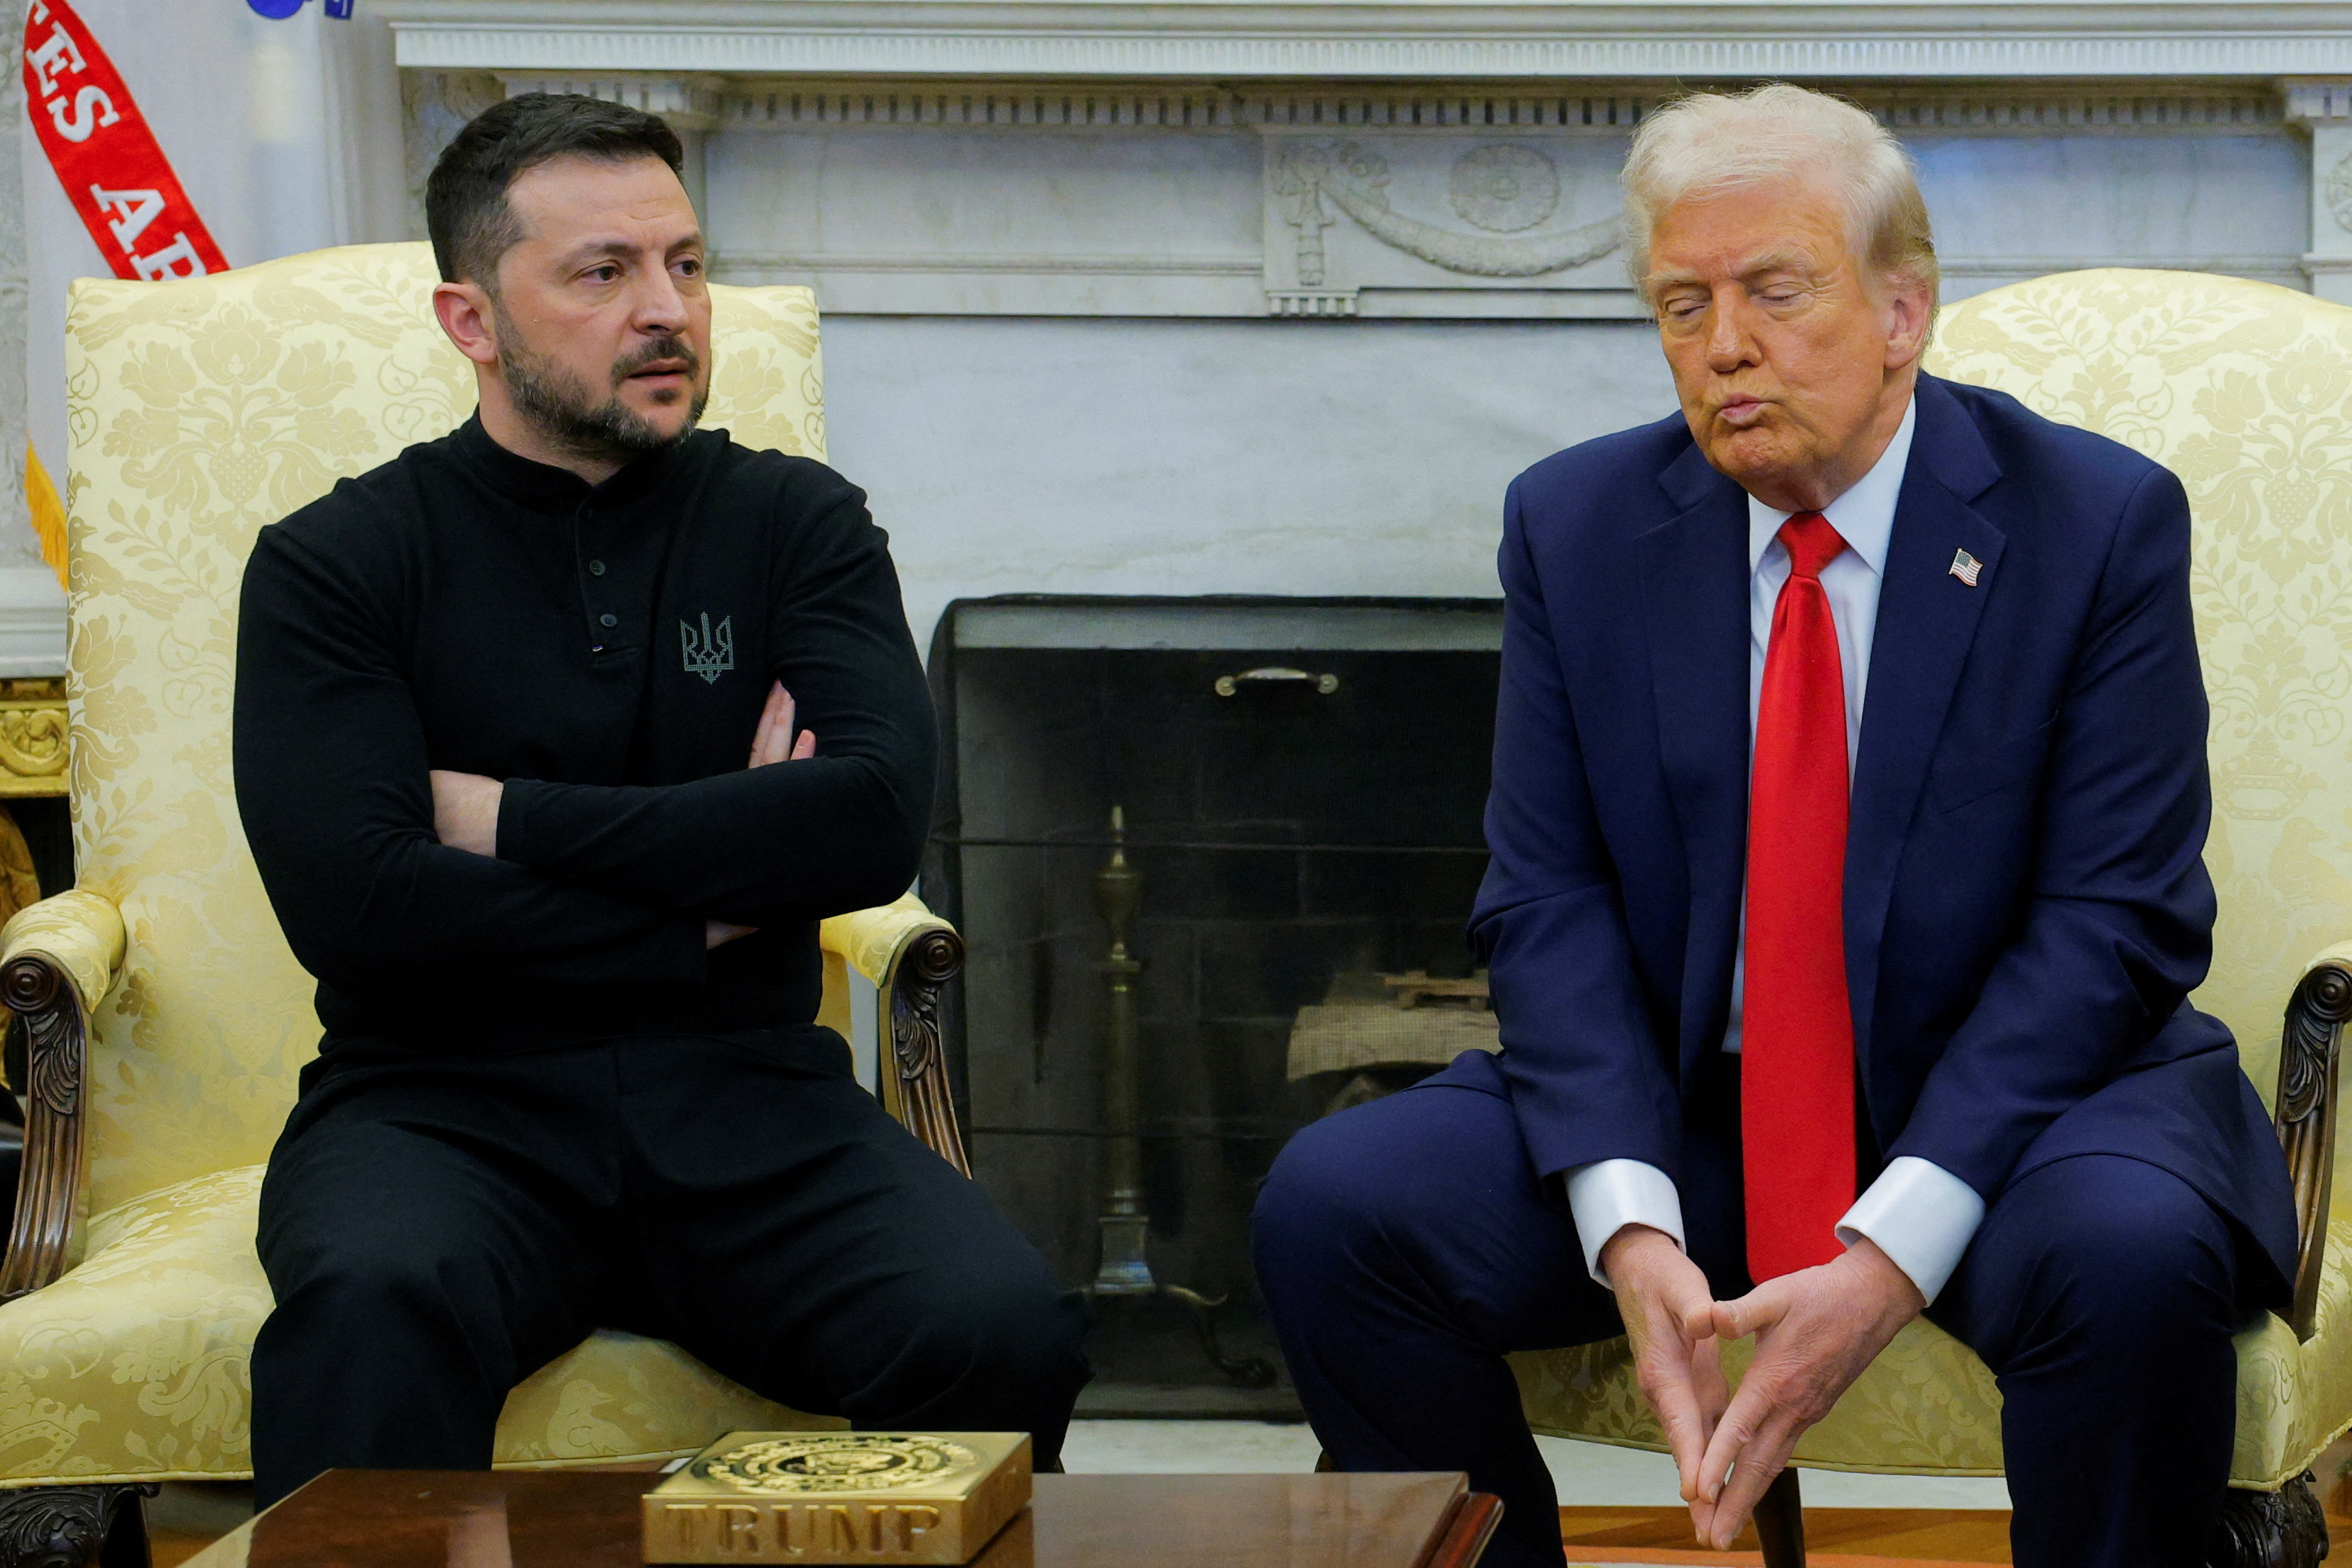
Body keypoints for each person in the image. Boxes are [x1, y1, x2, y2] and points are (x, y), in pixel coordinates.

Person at [1251, 82, 2296, 1568]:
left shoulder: (2091, 522)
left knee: (2129, 1258)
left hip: (2021, 1107)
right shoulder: (1576, 525)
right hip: (1696, 1105)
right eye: (1681, 305)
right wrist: (1629, 1226)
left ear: (1901, 310)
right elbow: (1545, 895)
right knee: (1333, 1208)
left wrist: (1887, 1252)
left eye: (1772, 291)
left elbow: (2112, 924)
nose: (1722, 345)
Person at [234, 92, 1089, 1509]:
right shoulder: (337, 561)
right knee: (369, 1311)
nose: (666, 310)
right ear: (469, 320)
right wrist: (707, 903)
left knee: (997, 1327)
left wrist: (506, 820)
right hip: (440, 1107)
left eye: (685, 264)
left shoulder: (796, 524)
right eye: (602, 271)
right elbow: (359, 905)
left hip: (748, 1100)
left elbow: (868, 825)